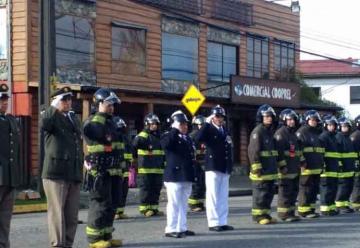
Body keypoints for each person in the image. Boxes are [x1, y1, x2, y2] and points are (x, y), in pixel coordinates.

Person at [41, 86, 83, 248]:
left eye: (69, 99)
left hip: (73, 172)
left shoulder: (73, 117)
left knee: (71, 215)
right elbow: (44, 125)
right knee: (58, 213)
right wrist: (53, 107)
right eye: (64, 99)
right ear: (57, 101)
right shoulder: (49, 114)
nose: (68, 102)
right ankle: (58, 244)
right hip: (56, 172)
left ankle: (68, 244)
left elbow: (77, 142)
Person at [83, 88, 123, 248]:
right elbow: (93, 132)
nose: (112, 107)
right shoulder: (93, 122)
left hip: (113, 170)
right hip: (99, 171)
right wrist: (100, 114)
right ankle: (94, 239)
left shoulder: (111, 123)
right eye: (108, 104)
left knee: (111, 204)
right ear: (99, 104)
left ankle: (106, 235)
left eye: (113, 105)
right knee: (100, 203)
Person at [195, 105, 234, 232]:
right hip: (213, 166)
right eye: (217, 116)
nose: (219, 118)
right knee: (213, 196)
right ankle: (213, 222)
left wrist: (230, 166)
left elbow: (228, 148)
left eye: (221, 116)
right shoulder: (208, 129)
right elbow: (197, 138)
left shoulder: (224, 130)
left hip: (224, 166)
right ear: (212, 117)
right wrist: (206, 123)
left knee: (223, 196)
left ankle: (222, 221)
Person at [161, 110, 196, 238]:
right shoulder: (168, 135)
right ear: (174, 125)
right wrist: (174, 130)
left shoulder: (187, 138)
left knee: (183, 203)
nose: (185, 126)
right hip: (174, 176)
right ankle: (170, 229)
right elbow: (167, 145)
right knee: (174, 203)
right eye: (181, 124)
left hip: (186, 175)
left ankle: (182, 227)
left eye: (185, 124)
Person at [248, 104, 283, 225]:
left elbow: (274, 152)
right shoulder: (258, 131)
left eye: (270, 116)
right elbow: (253, 151)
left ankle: (266, 214)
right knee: (260, 194)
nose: (269, 118)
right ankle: (258, 216)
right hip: (261, 172)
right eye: (266, 116)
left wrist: (280, 165)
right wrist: (257, 168)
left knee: (268, 194)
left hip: (270, 171)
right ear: (261, 117)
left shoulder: (269, 132)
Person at [0, 84, 21, 248]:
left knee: (5, 217)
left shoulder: (10, 119)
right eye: (1, 100)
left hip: (10, 176)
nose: (4, 103)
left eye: (5, 100)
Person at [133, 113, 165, 217]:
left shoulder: (159, 136)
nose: (154, 126)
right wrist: (134, 161)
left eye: (156, 124)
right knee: (146, 189)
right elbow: (133, 148)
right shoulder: (142, 137)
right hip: (146, 169)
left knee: (156, 189)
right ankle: (145, 209)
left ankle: (154, 208)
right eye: (152, 124)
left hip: (158, 169)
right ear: (147, 124)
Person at [274, 108, 303, 222]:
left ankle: (291, 212)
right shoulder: (281, 134)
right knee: (285, 193)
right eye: (289, 119)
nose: (292, 122)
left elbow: (297, 151)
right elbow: (279, 153)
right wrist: (282, 166)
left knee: (293, 192)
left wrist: (301, 161)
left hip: (294, 168)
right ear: (284, 120)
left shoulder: (293, 135)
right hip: (285, 169)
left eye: (293, 120)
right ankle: (284, 214)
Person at [296, 110, 324, 218]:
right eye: (312, 120)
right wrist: (302, 162)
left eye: (316, 120)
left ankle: (311, 209)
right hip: (306, 167)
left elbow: (319, 150)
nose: (314, 122)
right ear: (307, 120)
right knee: (305, 189)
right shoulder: (301, 132)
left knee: (313, 190)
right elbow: (298, 150)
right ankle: (304, 210)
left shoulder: (316, 133)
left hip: (316, 167)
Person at [318, 115, 340, 216]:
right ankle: (325, 209)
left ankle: (331, 207)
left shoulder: (333, 137)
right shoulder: (323, 137)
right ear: (325, 125)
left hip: (333, 168)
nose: (332, 127)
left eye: (334, 125)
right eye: (330, 125)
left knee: (333, 188)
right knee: (326, 189)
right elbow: (321, 153)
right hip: (327, 167)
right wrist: (323, 165)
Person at [113, 117, 133, 220]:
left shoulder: (125, 138)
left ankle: (120, 211)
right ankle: (115, 211)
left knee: (123, 190)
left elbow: (130, 151)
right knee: (117, 190)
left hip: (125, 168)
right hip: (117, 167)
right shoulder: (114, 138)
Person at [335, 116, 356, 213]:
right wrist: (339, 164)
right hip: (343, 168)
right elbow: (337, 153)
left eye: (347, 126)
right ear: (339, 127)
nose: (346, 128)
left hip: (350, 167)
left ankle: (346, 204)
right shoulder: (338, 137)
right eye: (343, 126)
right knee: (343, 187)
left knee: (349, 186)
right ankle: (340, 205)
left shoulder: (348, 138)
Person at [188, 115, 206, 212]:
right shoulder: (193, 136)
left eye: (203, 124)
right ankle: (193, 204)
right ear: (196, 125)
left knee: (202, 184)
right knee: (196, 184)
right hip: (195, 163)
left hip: (204, 163)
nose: (202, 126)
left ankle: (200, 203)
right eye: (200, 125)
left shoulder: (206, 135)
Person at [350, 115, 360, 210]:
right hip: (357, 163)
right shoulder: (355, 136)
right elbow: (353, 152)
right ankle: (356, 203)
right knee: (357, 183)